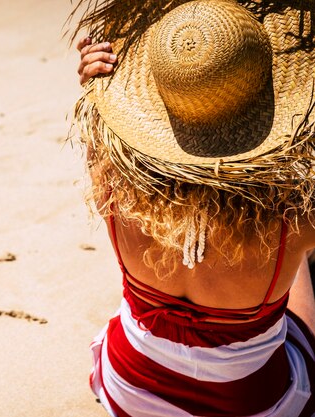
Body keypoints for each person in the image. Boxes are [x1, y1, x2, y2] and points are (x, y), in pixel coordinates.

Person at [71, 0, 315, 415]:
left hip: (131, 388)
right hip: (250, 405)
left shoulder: (111, 179)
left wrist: (96, 88)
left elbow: (102, 129)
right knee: (302, 269)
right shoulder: (294, 219)